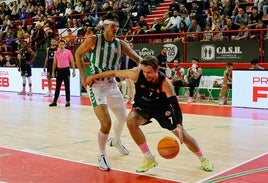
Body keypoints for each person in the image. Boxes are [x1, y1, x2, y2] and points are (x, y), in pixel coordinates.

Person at [84, 55, 213, 173]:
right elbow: (114, 72)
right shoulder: (136, 74)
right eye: (144, 72)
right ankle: (149, 158)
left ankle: (203, 158)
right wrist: (92, 77)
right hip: (143, 106)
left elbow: (175, 105)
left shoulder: (165, 83)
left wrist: (179, 124)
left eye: (149, 72)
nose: (146, 75)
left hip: (162, 109)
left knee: (183, 135)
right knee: (131, 121)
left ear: (157, 70)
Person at [75, 13, 143, 171]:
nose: (116, 29)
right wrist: (83, 77)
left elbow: (137, 57)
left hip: (112, 84)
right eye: (113, 26)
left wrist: (146, 65)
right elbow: (78, 54)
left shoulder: (120, 43)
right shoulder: (93, 40)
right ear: (105, 26)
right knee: (106, 123)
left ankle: (116, 141)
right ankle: (102, 154)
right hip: (96, 85)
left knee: (123, 118)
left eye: (118, 26)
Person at [49, 39, 76, 107]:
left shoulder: (68, 52)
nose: (61, 46)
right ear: (58, 45)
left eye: (62, 44)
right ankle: (54, 101)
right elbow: (55, 63)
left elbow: (72, 61)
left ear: (65, 45)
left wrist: (74, 70)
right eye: (60, 44)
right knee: (57, 86)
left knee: (67, 86)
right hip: (59, 70)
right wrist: (53, 72)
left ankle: (68, 101)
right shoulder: (56, 53)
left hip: (66, 70)